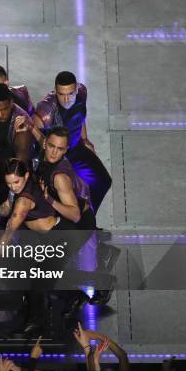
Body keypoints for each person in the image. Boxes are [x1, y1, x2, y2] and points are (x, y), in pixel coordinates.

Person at [0, 158, 90, 337]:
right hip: (44, 239)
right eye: (9, 183)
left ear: (26, 176)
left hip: (60, 237)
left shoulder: (24, 200)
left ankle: (38, 323)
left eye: (16, 182)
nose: (12, 187)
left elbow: (9, 229)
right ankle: (74, 296)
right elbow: (6, 207)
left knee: (38, 281)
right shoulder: (18, 190)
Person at [35, 127, 120, 306]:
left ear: (66, 150)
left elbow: (74, 215)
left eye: (60, 149)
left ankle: (101, 284)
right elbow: (40, 137)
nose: (54, 152)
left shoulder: (59, 177)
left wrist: (49, 200)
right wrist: (30, 127)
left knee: (59, 264)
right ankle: (100, 254)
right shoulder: (44, 157)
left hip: (80, 222)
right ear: (45, 144)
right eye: (51, 146)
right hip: (69, 219)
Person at [33, 71, 112, 212]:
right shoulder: (46, 110)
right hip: (58, 156)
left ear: (76, 89)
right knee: (75, 192)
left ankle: (89, 219)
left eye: (70, 93)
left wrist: (84, 138)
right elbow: (36, 136)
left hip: (76, 147)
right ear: (55, 91)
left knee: (103, 181)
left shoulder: (82, 92)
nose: (66, 99)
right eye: (61, 94)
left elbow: (80, 116)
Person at [0, 82, 34, 203]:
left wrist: (6, 194)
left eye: (4, 109)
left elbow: (21, 164)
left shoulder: (21, 122)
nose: (0, 114)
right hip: (0, 167)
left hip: (21, 173)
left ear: (11, 102)